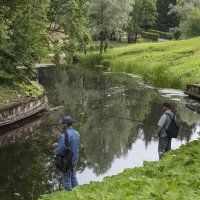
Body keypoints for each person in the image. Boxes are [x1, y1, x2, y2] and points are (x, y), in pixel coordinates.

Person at [53, 116, 80, 191]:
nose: (62, 125)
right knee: (73, 176)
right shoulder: (77, 133)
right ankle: (78, 193)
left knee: (66, 180)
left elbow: (61, 148)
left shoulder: (63, 135)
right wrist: (58, 144)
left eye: (62, 124)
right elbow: (70, 144)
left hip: (67, 160)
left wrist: (54, 152)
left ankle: (69, 196)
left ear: (65, 124)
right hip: (75, 158)